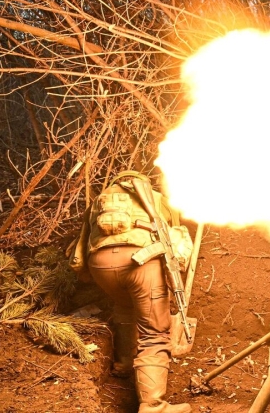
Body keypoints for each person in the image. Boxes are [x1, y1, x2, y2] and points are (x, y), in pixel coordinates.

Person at [82, 171, 192, 413]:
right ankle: (154, 406)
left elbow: (82, 246)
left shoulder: (99, 201)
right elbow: (173, 237)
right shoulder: (154, 198)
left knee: (124, 305)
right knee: (153, 333)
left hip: (100, 265)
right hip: (142, 263)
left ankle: (124, 364)